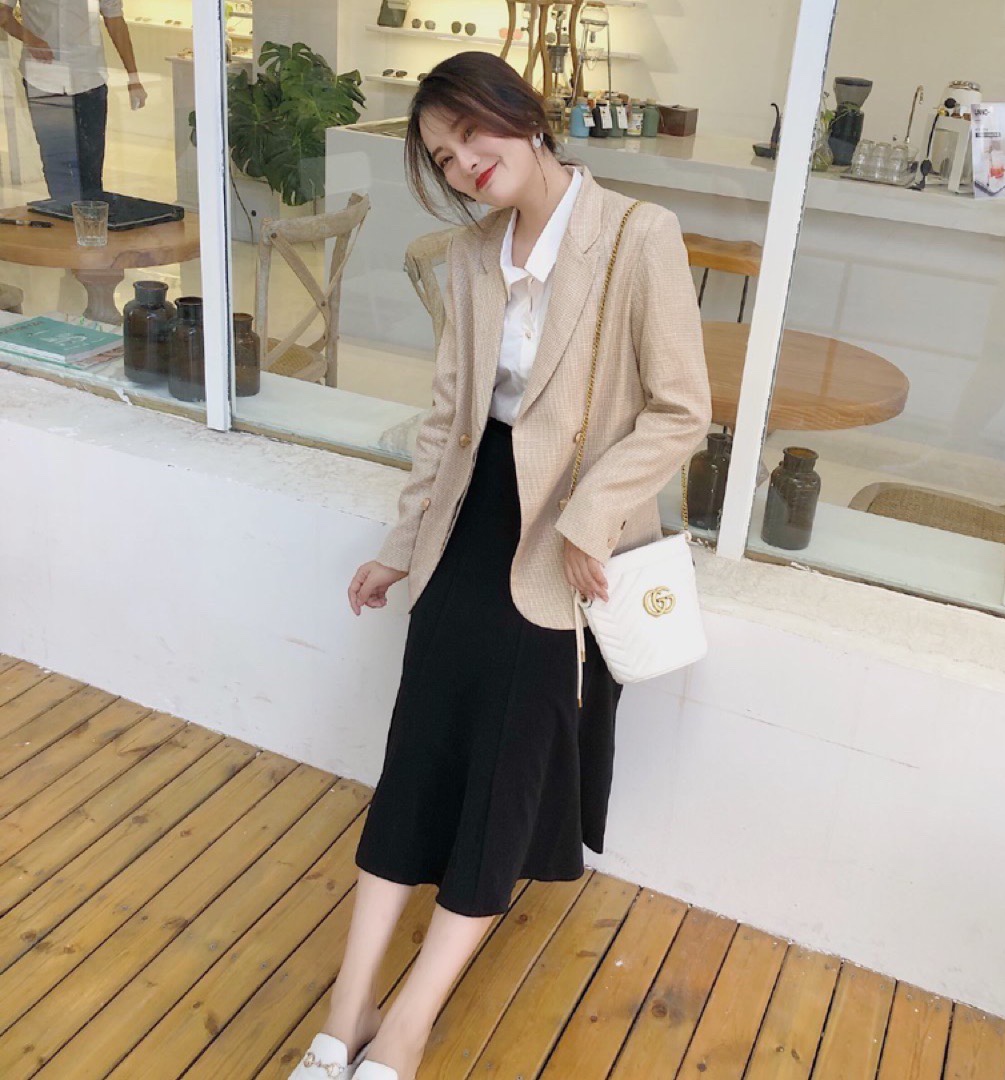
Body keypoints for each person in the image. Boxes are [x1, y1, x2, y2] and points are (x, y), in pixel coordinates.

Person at [292, 52, 712, 1080]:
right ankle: (346, 1013)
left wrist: (591, 520)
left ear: (523, 114)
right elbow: (448, 420)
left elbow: (681, 410)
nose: (465, 163)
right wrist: (399, 551)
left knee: (504, 780)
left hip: (563, 543)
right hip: (465, 530)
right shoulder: (471, 255)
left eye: (472, 133)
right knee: (417, 754)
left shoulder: (639, 235)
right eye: (443, 157)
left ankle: (409, 1022)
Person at [0, 0, 147, 202]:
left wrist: (133, 77)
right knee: (55, 159)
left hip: (88, 75)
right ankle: (64, 213)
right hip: (44, 79)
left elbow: (114, 19)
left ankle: (90, 215)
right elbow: (3, 14)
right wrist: (30, 39)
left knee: (91, 161)